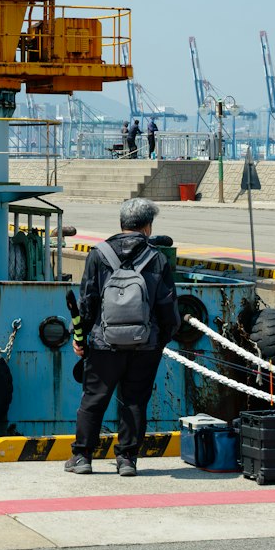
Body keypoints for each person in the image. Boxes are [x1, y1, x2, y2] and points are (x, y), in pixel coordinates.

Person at [66, 197, 181, 477]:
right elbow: (167, 305)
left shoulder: (99, 254)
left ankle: (82, 457)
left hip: (105, 343)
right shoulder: (156, 257)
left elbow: (88, 301)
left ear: (121, 224)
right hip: (145, 344)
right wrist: (161, 339)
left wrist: (81, 338)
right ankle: (127, 459)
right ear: (148, 227)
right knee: (134, 401)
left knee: (94, 399)